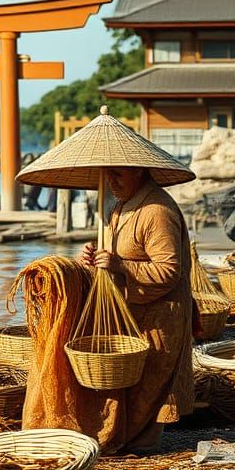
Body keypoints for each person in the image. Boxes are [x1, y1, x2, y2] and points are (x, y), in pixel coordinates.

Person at [78, 165, 193, 453]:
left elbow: (169, 270)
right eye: (108, 175)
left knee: (148, 389)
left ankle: (139, 445)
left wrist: (120, 265)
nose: (110, 182)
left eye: (117, 174)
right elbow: (114, 253)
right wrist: (91, 257)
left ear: (139, 172)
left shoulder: (157, 211)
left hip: (159, 316)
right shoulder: (121, 207)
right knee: (124, 385)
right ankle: (122, 439)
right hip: (129, 313)